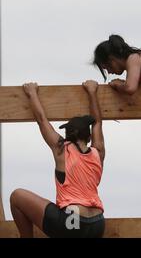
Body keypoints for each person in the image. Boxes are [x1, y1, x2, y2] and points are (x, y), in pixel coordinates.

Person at [9, 80, 106, 238]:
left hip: (73, 219)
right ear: (88, 137)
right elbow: (97, 123)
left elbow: (42, 120)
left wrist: (32, 93)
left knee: (17, 196)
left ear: (67, 136)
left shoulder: (62, 149)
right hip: (97, 223)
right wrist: (92, 92)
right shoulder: (98, 152)